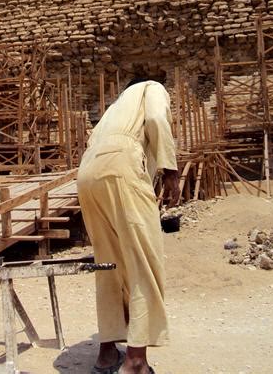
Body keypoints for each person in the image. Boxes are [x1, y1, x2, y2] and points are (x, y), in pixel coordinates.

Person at [77, 76, 180, 374]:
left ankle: (107, 354)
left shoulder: (114, 109)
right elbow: (157, 118)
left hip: (86, 172)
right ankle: (135, 361)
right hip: (120, 166)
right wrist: (169, 169)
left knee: (107, 265)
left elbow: (91, 141)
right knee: (142, 261)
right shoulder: (152, 88)